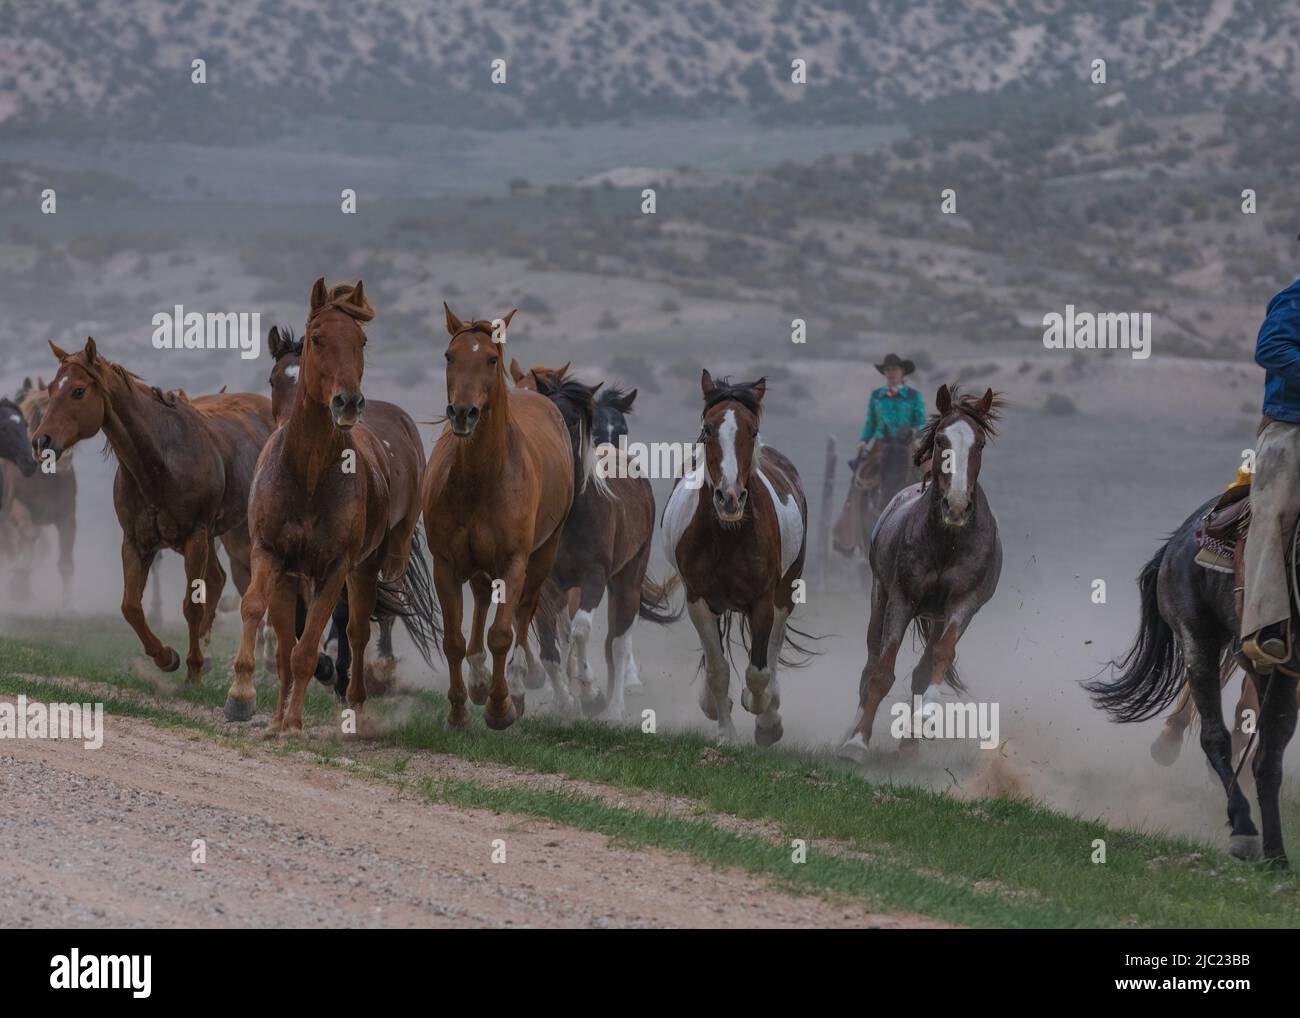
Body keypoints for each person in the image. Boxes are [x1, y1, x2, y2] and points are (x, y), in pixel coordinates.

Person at [1242, 279, 1300, 670]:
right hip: (1292, 425)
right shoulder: (1293, 300)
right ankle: (1267, 626)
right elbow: (1271, 348)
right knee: (1275, 507)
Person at [856, 353, 926, 462]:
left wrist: (915, 430)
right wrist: (863, 440)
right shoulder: (876, 396)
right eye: (887, 369)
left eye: (894, 369)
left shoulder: (914, 395)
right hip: (880, 446)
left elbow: (922, 421)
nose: (891, 373)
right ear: (884, 372)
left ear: (902, 371)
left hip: (907, 446)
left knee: (927, 470)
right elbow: (871, 423)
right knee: (860, 472)